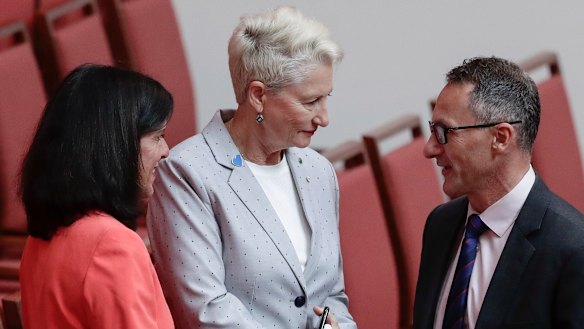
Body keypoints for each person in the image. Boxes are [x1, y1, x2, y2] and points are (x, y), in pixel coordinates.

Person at [147, 6, 356, 329]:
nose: (324, 118)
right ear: (258, 96)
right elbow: (208, 310)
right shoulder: (187, 174)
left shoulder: (319, 171)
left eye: (326, 98)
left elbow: (331, 296)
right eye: (310, 102)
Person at [413, 56, 584, 329]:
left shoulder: (572, 250)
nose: (429, 149)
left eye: (445, 132)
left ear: (501, 138)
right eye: (433, 131)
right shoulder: (440, 225)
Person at [19, 64, 175, 329]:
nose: (166, 150)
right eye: (157, 137)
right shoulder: (112, 244)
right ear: (117, 145)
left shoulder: (39, 238)